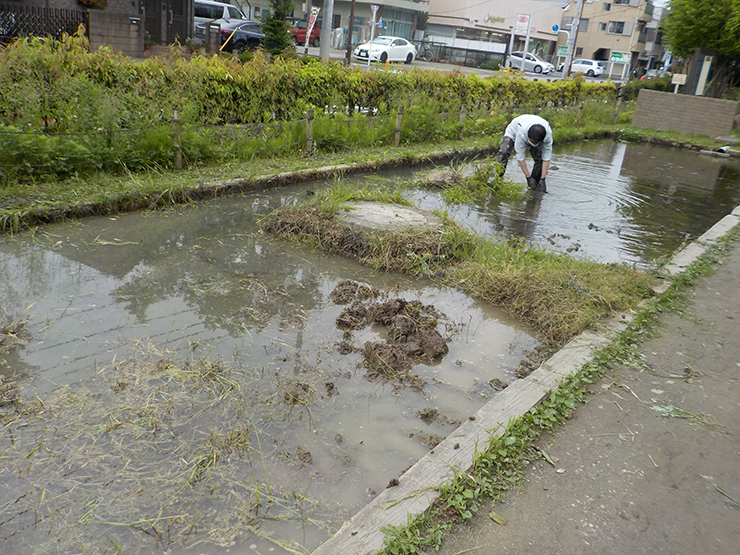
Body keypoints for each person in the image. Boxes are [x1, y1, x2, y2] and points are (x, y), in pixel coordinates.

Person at [496, 114, 552, 193]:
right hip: (513, 131)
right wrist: (527, 177)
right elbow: (520, 157)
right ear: (528, 137)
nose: (534, 144)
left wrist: (543, 178)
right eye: (532, 142)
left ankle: (534, 186)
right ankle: (497, 180)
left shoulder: (547, 135)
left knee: (540, 160)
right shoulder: (521, 133)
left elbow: (546, 157)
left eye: (536, 142)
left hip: (536, 134)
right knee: (503, 154)